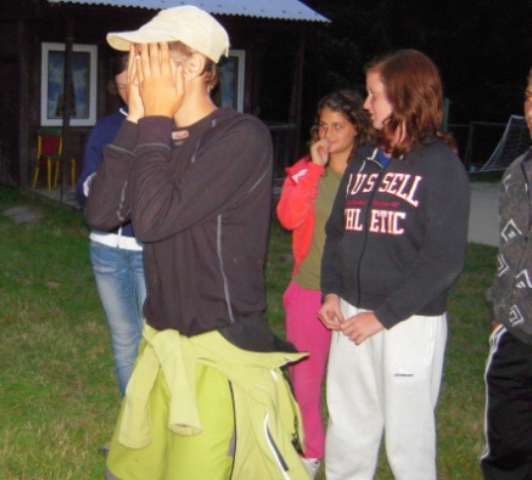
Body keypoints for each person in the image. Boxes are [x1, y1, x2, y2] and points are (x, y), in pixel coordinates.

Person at [84, 5, 311, 480]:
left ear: (192, 65)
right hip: (161, 341)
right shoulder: (154, 132)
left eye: (147, 58)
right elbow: (102, 213)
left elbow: (152, 220)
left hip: (218, 350)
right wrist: (138, 120)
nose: (133, 71)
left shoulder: (240, 137)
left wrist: (153, 122)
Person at [317, 49, 470, 479]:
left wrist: (382, 316)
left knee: (408, 436)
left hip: (407, 320)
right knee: (348, 424)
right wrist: (331, 291)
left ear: (404, 97)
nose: (366, 105)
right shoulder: (364, 158)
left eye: (374, 95)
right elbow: (337, 231)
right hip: (350, 312)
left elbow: (443, 262)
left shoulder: (441, 167)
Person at [276, 90, 374, 478]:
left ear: (357, 129)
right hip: (309, 287)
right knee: (305, 381)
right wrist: (315, 171)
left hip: (357, 294)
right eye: (323, 126)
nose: (328, 134)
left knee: (352, 385)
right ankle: (311, 452)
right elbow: (288, 217)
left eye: (339, 126)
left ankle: (352, 456)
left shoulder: (371, 174)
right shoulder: (304, 171)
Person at [76, 54, 146, 394]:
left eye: (135, 84)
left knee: (155, 337)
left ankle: (157, 417)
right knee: (124, 337)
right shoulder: (106, 128)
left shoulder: (167, 127)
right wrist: (100, 184)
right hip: (106, 249)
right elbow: (83, 189)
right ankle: (132, 417)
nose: (129, 92)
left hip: (150, 250)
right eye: (121, 86)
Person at [481, 66, 532, 480]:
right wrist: (500, 311)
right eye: (530, 97)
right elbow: (509, 250)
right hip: (517, 334)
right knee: (507, 448)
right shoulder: (517, 172)